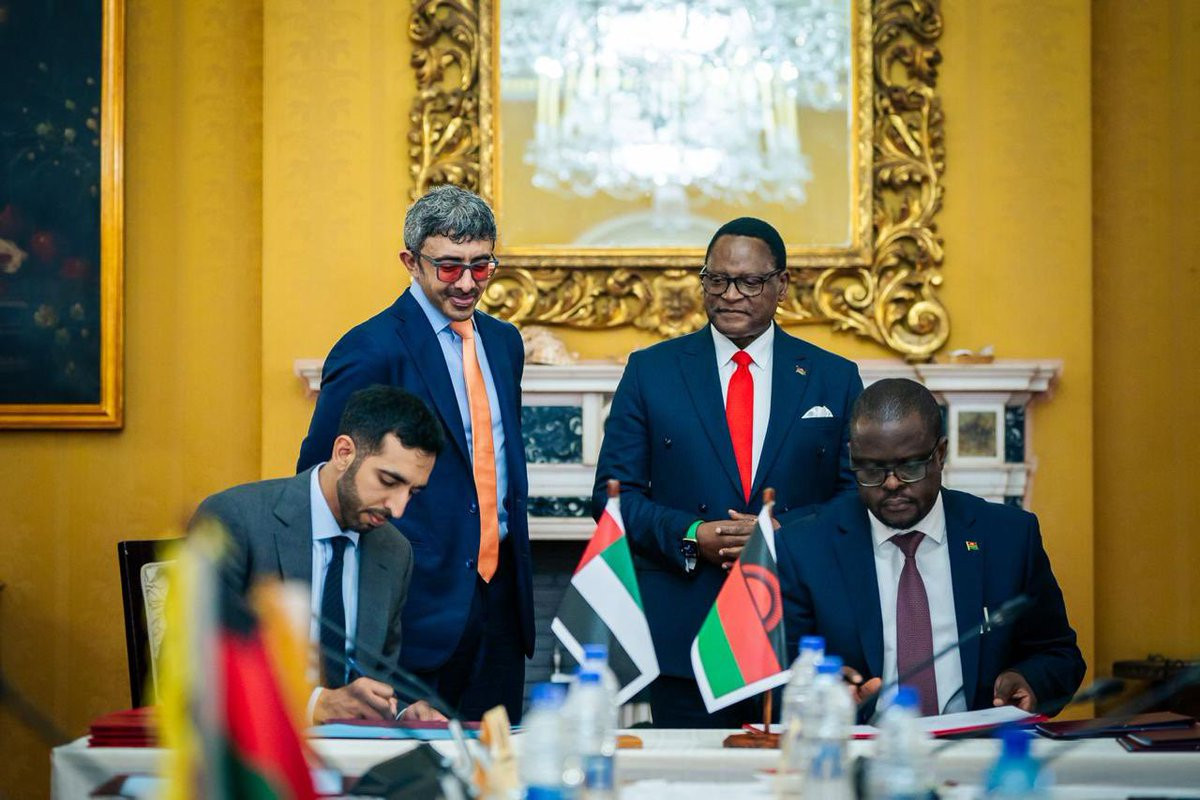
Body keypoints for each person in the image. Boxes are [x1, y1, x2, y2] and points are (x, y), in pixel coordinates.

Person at [592, 217, 864, 727]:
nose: (731, 294)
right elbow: (612, 497)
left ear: (782, 285)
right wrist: (692, 534)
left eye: (749, 282)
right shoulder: (651, 371)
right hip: (686, 634)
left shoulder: (834, 377)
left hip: (794, 632)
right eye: (716, 280)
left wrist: (782, 533)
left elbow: (856, 496)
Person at [296, 186, 534, 722]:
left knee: (494, 759)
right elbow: (320, 476)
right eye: (449, 267)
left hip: (500, 604)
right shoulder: (370, 348)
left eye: (481, 266)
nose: (468, 283)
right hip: (413, 606)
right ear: (410, 261)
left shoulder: (505, 343)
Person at [777, 378, 1086, 720]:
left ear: (940, 454)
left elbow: (1058, 655)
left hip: (976, 743)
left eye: (909, 466)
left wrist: (1030, 682)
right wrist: (823, 694)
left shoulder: (1008, 537)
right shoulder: (805, 548)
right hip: (861, 744)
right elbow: (775, 676)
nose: (891, 483)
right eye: (872, 469)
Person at [193, 385, 446, 723]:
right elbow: (194, 665)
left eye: (412, 492)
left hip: (354, 749)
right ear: (344, 453)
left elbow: (375, 683)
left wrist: (400, 715)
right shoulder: (235, 520)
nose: (398, 509)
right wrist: (316, 705)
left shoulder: (394, 552)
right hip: (254, 743)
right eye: (388, 481)